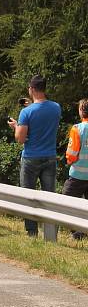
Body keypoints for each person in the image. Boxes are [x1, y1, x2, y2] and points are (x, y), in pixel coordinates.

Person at [8, 75, 61, 237]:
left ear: (31, 89)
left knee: (28, 196)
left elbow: (20, 138)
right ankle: (51, 231)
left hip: (31, 157)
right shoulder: (56, 107)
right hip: (50, 156)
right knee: (49, 196)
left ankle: (32, 232)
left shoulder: (26, 112)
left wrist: (16, 126)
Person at [64, 98, 88, 240]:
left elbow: (71, 154)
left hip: (78, 175)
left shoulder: (77, 128)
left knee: (67, 202)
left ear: (81, 111)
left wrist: (69, 160)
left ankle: (77, 233)